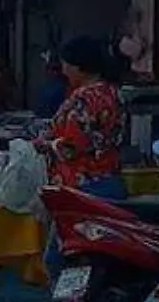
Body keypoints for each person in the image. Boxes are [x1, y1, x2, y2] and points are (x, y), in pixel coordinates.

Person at [39, 35, 127, 199]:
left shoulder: (83, 98)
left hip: (83, 189)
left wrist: (42, 145)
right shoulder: (114, 93)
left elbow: (70, 149)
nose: (63, 70)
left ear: (79, 66)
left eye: (65, 64)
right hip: (112, 182)